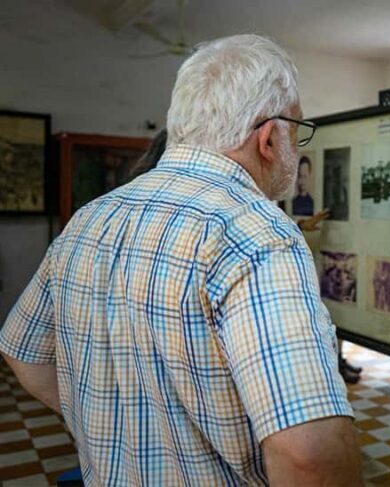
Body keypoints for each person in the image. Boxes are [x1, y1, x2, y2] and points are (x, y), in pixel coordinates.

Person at [0, 35, 361, 485]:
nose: (298, 148)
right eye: (298, 131)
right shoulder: (257, 234)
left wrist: (101, 419)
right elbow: (310, 458)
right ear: (268, 138)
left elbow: (22, 352)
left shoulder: (91, 218)